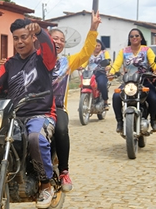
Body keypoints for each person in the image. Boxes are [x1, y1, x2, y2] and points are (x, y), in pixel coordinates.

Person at [0, 19, 58, 208]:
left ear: (32, 38)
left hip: (41, 114)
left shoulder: (43, 59)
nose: (19, 42)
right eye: (16, 38)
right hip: (14, 115)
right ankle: (3, 175)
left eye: (24, 37)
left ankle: (46, 184)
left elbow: (50, 47)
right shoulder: (10, 64)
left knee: (35, 137)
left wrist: (41, 32)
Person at [49, 11, 101, 193]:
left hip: (57, 109)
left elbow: (86, 52)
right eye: (54, 38)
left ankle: (64, 171)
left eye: (61, 40)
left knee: (61, 130)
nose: (58, 42)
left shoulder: (67, 62)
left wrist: (93, 29)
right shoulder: (35, 60)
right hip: (33, 108)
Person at [109, 28, 156, 133]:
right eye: (132, 36)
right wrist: (111, 72)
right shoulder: (124, 51)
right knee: (116, 96)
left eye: (136, 36)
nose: (134, 38)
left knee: (154, 98)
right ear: (129, 39)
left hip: (144, 81)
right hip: (128, 82)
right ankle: (119, 122)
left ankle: (153, 121)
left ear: (141, 38)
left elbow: (153, 62)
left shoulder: (146, 50)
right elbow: (116, 64)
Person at [85, 38, 112, 110]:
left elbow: (108, 60)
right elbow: (85, 62)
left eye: (98, 45)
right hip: (90, 74)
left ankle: (105, 102)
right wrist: (80, 66)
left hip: (101, 73)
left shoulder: (104, 52)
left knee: (102, 84)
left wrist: (108, 66)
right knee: (84, 85)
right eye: (95, 45)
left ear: (101, 46)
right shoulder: (89, 53)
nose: (96, 47)